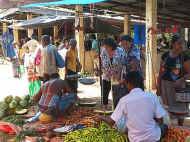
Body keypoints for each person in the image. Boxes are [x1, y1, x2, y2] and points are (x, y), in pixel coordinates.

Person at [99, 71, 168, 142]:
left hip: (135, 139)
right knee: (164, 127)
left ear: (128, 84)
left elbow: (111, 122)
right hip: (153, 138)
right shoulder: (152, 96)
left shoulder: (124, 100)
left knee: (125, 127)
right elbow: (160, 119)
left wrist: (100, 117)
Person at [157, 34, 190, 125]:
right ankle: (169, 129)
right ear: (173, 44)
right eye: (179, 43)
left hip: (179, 88)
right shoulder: (165, 55)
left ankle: (180, 127)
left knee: (181, 111)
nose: (181, 46)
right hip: (165, 87)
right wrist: (158, 87)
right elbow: (161, 73)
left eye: (182, 43)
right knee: (166, 110)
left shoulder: (184, 57)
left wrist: (182, 79)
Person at [101, 38, 125, 109]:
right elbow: (103, 64)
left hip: (118, 75)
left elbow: (122, 64)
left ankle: (117, 107)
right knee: (105, 91)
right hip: (106, 75)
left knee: (117, 91)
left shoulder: (120, 51)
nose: (105, 48)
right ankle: (105, 107)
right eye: (104, 46)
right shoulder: (104, 51)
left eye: (106, 46)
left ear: (111, 46)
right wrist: (107, 72)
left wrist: (117, 74)